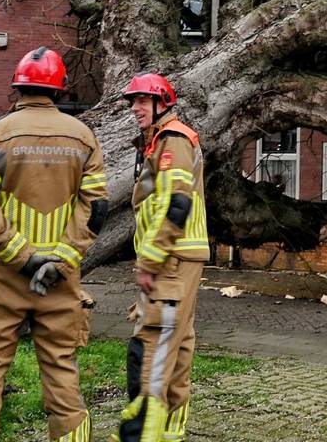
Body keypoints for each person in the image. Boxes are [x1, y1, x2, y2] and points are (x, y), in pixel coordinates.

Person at [0, 47, 108, 442]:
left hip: (3, 278)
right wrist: (61, 259)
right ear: (60, 89)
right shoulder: (84, 136)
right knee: (62, 374)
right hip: (60, 279)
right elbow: (96, 207)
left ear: (18, 86)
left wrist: (22, 258)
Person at [114, 73, 208, 442]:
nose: (134, 108)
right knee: (179, 345)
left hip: (171, 259)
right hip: (179, 257)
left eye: (141, 101)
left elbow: (176, 203)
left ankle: (139, 435)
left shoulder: (172, 140)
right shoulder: (158, 142)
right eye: (132, 102)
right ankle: (170, 433)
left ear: (162, 103)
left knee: (151, 346)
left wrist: (150, 261)